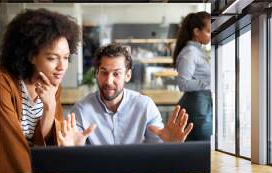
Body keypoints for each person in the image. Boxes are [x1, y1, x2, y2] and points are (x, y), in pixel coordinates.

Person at [0, 9, 93, 173]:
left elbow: (45, 144)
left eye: (66, 57)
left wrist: (49, 108)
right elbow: (11, 145)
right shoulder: (2, 81)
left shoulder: (54, 87)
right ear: (31, 56)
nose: (62, 67)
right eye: (52, 58)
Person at [57, 43, 193, 146]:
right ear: (96, 74)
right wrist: (71, 150)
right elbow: (73, 146)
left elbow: (159, 150)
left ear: (127, 75)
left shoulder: (144, 106)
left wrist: (172, 146)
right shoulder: (82, 110)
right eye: (104, 72)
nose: (109, 81)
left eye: (116, 74)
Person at [173, 11, 212, 141]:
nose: (211, 35)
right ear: (196, 31)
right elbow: (183, 84)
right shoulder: (190, 52)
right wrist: (210, 82)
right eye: (208, 31)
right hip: (196, 106)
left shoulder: (197, 51)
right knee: (202, 145)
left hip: (202, 104)